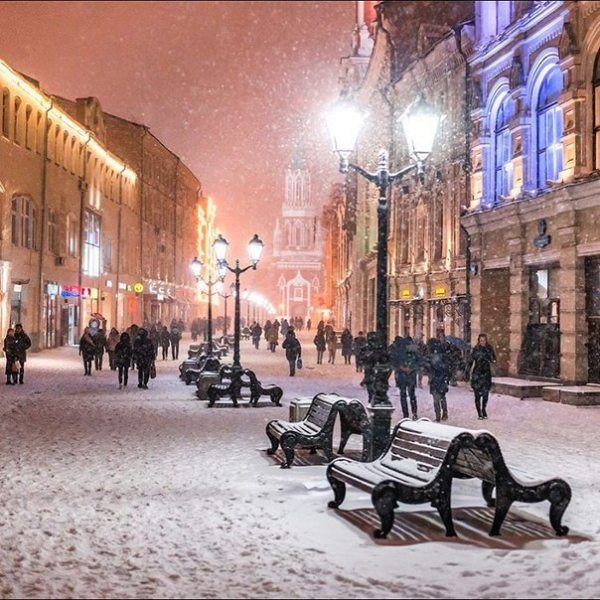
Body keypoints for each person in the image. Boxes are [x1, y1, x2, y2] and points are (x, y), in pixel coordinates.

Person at [466, 333, 497, 419]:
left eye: (484, 340)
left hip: (486, 374)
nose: (482, 342)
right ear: (479, 341)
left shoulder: (489, 348)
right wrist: (467, 372)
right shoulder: (476, 349)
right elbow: (470, 361)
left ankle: (483, 409)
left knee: (485, 394)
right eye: (481, 340)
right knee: (477, 395)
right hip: (477, 374)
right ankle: (479, 412)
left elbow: (494, 358)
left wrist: (491, 358)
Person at [389, 336, 420, 420]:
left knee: (403, 395)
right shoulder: (413, 348)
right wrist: (412, 368)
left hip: (401, 375)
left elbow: (394, 362)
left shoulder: (398, 349)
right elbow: (419, 360)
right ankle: (414, 413)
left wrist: (401, 368)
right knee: (412, 395)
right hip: (411, 375)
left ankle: (405, 414)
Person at [426, 338, 452, 422]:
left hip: (436, 378)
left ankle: (438, 415)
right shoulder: (442, 354)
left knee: (436, 398)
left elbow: (430, 367)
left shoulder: (433, 355)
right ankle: (444, 413)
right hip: (441, 378)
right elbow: (447, 367)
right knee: (442, 396)